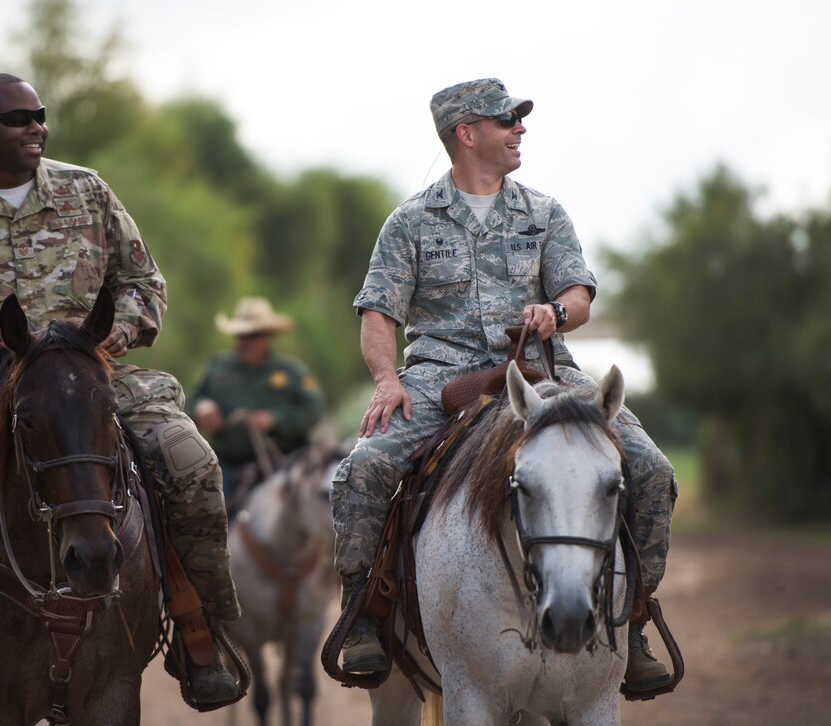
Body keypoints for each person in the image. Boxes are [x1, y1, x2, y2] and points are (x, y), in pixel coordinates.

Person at [0, 73, 241, 724]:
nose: (36, 125)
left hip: (86, 372)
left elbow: (144, 281)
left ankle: (201, 632)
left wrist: (121, 329)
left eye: (40, 114)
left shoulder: (86, 190)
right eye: (17, 117)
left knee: (190, 464)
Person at [330, 78, 677, 694]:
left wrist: (558, 313)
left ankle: (635, 621)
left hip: (545, 372)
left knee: (650, 467)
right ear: (467, 134)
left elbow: (578, 295)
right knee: (362, 469)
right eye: (506, 120)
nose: (520, 129)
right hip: (441, 376)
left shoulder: (545, 213)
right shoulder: (409, 221)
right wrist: (387, 381)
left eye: (518, 120)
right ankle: (365, 613)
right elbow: (378, 313)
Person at [188, 296, 325, 512]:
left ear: (268, 337)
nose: (246, 341)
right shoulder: (216, 369)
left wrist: (275, 420)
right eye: (241, 335)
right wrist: (201, 408)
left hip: (283, 464)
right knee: (203, 512)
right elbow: (190, 403)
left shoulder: (292, 372)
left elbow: (313, 410)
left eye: (253, 335)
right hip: (229, 465)